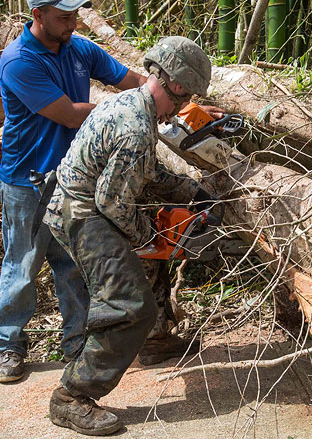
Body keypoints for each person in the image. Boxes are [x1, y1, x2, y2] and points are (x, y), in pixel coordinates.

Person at [42, 36, 214, 435]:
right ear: (174, 84)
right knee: (129, 303)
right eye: (185, 95)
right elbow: (114, 203)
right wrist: (153, 237)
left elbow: (146, 172)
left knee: (147, 274)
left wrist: (193, 192)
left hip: (81, 203)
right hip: (83, 214)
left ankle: (153, 342)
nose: (183, 104)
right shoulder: (137, 125)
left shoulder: (129, 103)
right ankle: (71, 396)